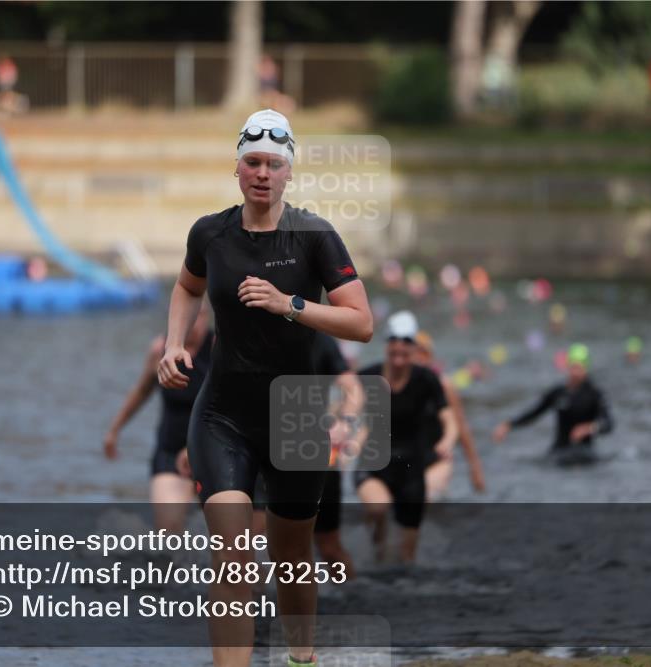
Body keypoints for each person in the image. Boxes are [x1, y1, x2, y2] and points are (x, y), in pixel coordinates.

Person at [157, 109, 372, 667]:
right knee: (232, 559)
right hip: (223, 414)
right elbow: (187, 287)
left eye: (274, 164)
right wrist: (174, 344)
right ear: (236, 168)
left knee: (292, 558)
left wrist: (289, 304)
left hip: (296, 415)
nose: (262, 173)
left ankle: (302, 659)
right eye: (252, 162)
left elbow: (361, 323)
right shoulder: (210, 233)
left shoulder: (315, 236)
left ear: (289, 172)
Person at [354, 312, 455, 564]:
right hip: (374, 463)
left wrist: (447, 440)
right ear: (386, 346)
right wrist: (343, 430)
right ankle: (375, 551)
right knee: (379, 508)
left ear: (414, 349)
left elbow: (450, 420)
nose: (399, 358)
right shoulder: (368, 376)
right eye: (394, 350)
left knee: (407, 557)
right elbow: (343, 407)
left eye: (405, 350)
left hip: (411, 468)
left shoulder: (426, 379)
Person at [103, 304, 214, 533]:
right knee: (169, 530)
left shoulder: (218, 348)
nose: (194, 323)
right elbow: (142, 391)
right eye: (188, 315)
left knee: (229, 533)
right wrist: (114, 430)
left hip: (214, 450)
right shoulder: (159, 350)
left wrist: (198, 447)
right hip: (170, 450)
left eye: (199, 315)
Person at [493, 343, 614, 466]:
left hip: (585, 452)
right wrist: (509, 425)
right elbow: (535, 412)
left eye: (580, 367)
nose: (576, 372)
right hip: (559, 451)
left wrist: (588, 428)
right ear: (568, 366)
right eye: (573, 367)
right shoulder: (558, 393)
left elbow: (609, 424)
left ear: (586, 368)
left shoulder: (595, 394)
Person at [310, 332, 361, 580]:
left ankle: (353, 595)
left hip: (317, 456)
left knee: (329, 548)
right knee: (249, 540)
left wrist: (344, 422)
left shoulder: (320, 340)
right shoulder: (255, 334)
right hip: (262, 452)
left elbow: (354, 390)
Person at [412, 331, 486, 500]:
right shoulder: (397, 386)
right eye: (414, 352)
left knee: (423, 495)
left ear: (430, 356)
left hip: (438, 460)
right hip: (409, 460)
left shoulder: (444, 386)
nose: (418, 358)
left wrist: (475, 467)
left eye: (423, 352)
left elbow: (461, 427)